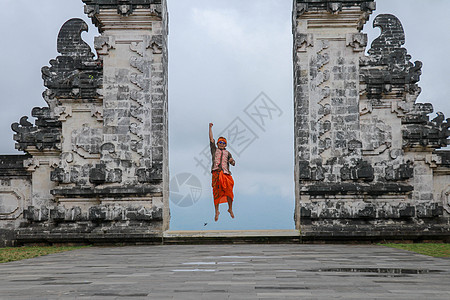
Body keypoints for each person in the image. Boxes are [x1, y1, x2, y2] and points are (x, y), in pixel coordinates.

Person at [209, 123, 236, 221]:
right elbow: (211, 139)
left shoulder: (228, 153)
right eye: (220, 142)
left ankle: (230, 208)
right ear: (217, 144)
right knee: (216, 192)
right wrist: (210, 128)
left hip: (226, 174)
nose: (221, 144)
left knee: (229, 190)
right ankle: (216, 211)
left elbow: (233, 163)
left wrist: (232, 161)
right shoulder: (214, 150)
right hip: (216, 173)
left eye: (223, 143)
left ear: (226, 144)